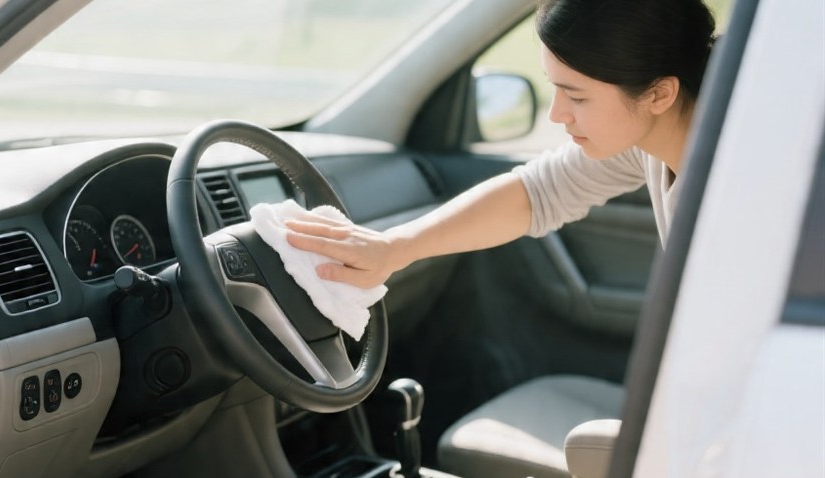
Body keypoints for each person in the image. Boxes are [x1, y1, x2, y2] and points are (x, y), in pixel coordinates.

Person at [285, 0, 718, 290]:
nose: (557, 114)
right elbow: (537, 192)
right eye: (556, 89)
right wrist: (396, 248)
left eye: (578, 96)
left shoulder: (739, 189)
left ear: (660, 94)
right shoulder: (648, 141)